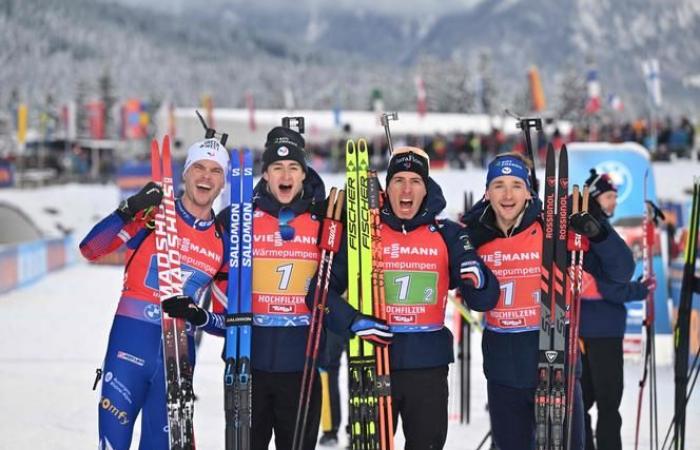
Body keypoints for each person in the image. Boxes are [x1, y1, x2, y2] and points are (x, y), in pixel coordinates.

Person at [167, 126, 381, 450]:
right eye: (277, 167)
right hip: (247, 363)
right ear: (265, 174)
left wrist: (370, 209)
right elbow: (201, 252)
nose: (285, 174)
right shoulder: (236, 219)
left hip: (303, 365)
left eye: (293, 167)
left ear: (303, 174)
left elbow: (346, 274)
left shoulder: (325, 222)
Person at [320, 146, 500, 449]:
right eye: (398, 180)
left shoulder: (448, 234)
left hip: (427, 368)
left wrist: (478, 278)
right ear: (386, 188)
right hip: (373, 361)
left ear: (426, 187)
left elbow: (483, 300)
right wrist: (352, 321)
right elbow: (319, 291)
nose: (406, 189)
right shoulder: (364, 235)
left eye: (415, 181)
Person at [460, 154, 640, 450]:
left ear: (529, 190)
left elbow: (621, 271)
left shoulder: (553, 232)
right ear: (487, 191)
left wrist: (599, 232)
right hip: (503, 376)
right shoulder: (475, 237)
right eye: (499, 185)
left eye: (516, 185)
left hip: (556, 369)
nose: (507, 195)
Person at [80, 138, 229, 450]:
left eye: (216, 171)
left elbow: (227, 323)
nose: (206, 176)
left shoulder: (221, 242)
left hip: (176, 357)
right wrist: (129, 208)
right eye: (199, 167)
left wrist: (197, 315)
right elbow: (91, 249)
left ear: (223, 182)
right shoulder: (153, 215)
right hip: (129, 346)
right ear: (185, 174)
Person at [579, 169, 653, 450]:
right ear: (596, 197)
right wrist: (640, 289)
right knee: (608, 402)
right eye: (610, 196)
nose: (614, 202)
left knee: (584, 401)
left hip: (586, 329)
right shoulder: (595, 230)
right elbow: (609, 287)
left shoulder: (590, 228)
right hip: (602, 331)